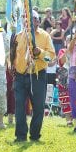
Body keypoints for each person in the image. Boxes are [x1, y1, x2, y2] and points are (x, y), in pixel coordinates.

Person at [12, 10, 55, 142]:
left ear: (39, 21)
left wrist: (40, 53)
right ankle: (20, 135)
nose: (30, 21)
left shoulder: (45, 36)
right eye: (27, 18)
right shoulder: (17, 36)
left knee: (38, 107)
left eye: (34, 19)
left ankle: (35, 135)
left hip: (38, 75)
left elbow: (51, 58)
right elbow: (13, 55)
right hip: (20, 76)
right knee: (19, 106)